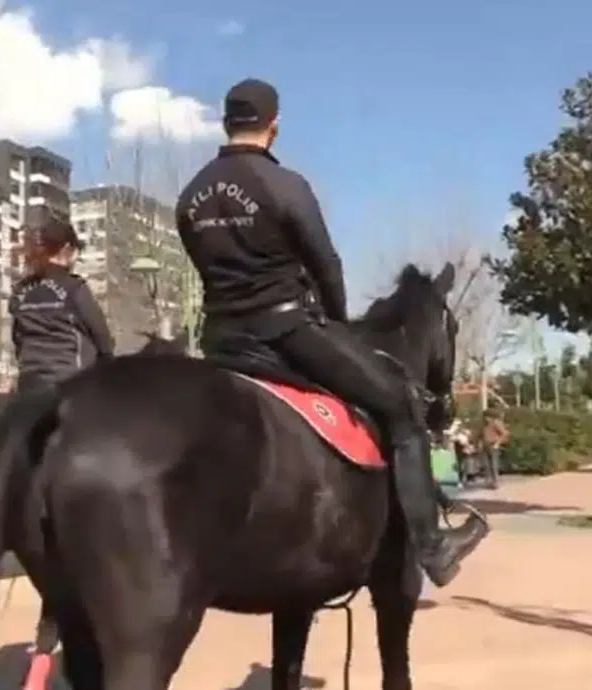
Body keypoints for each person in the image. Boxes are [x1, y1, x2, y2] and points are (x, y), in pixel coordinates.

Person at [173, 77, 484, 587]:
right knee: (400, 408)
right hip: (285, 332)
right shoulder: (284, 184)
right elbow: (326, 264)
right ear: (273, 126)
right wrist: (338, 327)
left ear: (226, 123)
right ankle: (433, 545)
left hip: (221, 340)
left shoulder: (190, 196)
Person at [8, 214, 115, 390]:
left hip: (29, 386)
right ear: (67, 249)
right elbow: (102, 338)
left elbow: (18, 340)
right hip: (73, 387)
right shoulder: (75, 288)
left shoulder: (20, 291)